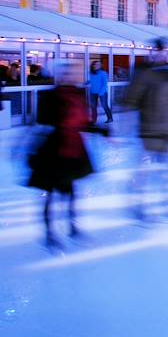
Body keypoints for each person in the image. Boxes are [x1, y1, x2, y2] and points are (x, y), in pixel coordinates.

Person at [27, 62, 108, 248]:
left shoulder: (78, 95)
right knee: (50, 193)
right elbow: (42, 123)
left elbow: (84, 123)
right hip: (53, 151)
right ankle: (49, 232)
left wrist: (103, 132)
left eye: (72, 73)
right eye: (65, 73)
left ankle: (72, 226)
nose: (70, 76)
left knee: (70, 191)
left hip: (73, 150)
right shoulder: (50, 96)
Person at [123, 40, 168, 220]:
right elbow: (131, 99)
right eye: (156, 51)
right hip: (149, 130)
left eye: (163, 51)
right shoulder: (144, 73)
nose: (160, 54)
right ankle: (138, 204)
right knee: (145, 171)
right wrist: (123, 127)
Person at [87, 60, 114, 124]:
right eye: (96, 64)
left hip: (102, 92)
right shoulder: (90, 73)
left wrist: (101, 92)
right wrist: (87, 82)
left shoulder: (103, 73)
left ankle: (110, 118)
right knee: (93, 107)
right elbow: (92, 81)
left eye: (99, 65)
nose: (97, 66)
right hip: (93, 92)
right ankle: (94, 120)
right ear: (93, 65)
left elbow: (104, 83)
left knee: (104, 105)